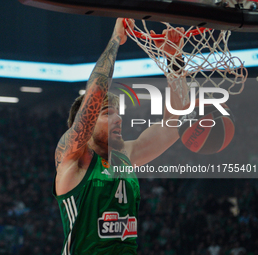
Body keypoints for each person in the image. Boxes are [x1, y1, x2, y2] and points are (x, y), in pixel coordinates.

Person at [53, 18, 188, 254]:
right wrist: (116, 40)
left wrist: (175, 60)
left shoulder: (126, 155)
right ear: (86, 122)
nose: (118, 119)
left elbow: (171, 125)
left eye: (118, 113)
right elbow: (94, 95)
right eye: (107, 113)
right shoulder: (73, 159)